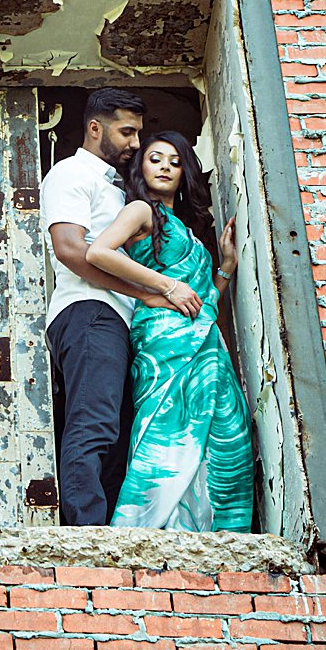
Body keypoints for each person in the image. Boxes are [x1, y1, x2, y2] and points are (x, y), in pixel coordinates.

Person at [87, 130, 255, 532]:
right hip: (162, 339)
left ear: (185, 175)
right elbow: (98, 252)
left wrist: (226, 268)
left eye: (175, 162)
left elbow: (200, 302)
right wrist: (164, 286)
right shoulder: (141, 211)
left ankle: (209, 530)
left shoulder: (186, 230)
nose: (164, 167)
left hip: (205, 341)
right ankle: (148, 530)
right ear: (141, 167)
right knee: (168, 434)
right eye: (155, 158)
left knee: (224, 431)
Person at [40, 87, 164, 526]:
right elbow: (71, 250)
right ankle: (82, 534)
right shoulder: (71, 174)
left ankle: (111, 532)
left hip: (117, 319)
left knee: (116, 435)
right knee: (93, 426)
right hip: (89, 310)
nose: (135, 144)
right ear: (95, 128)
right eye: (126, 132)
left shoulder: (116, 187)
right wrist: (145, 293)